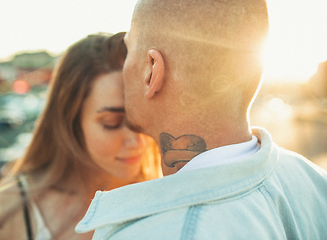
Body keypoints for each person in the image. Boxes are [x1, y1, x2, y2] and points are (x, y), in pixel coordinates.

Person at [75, 0, 327, 239]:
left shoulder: (153, 232)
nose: (123, 70)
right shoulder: (315, 182)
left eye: (129, 51)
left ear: (152, 71)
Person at [0, 32, 162, 240]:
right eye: (112, 123)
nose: (137, 140)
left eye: (143, 118)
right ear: (70, 121)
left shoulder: (167, 202)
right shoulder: (8, 212)